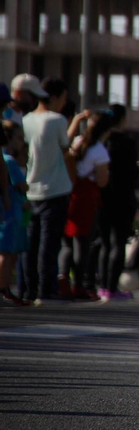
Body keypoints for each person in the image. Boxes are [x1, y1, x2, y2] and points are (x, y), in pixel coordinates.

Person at [22, 77, 79, 303]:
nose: (64, 103)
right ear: (54, 98)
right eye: (63, 98)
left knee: (30, 243)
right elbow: (66, 151)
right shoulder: (56, 120)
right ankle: (47, 290)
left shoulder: (25, 120)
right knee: (49, 243)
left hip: (29, 188)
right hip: (55, 189)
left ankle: (29, 289)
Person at [64, 111, 113, 299]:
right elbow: (102, 181)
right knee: (83, 244)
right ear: (106, 130)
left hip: (71, 192)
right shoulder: (99, 150)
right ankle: (79, 285)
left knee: (67, 241)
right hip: (87, 197)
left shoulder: (77, 141)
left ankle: (62, 279)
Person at [100, 106, 139, 301]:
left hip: (103, 197)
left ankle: (102, 286)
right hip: (123, 198)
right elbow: (133, 173)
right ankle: (112, 287)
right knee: (118, 243)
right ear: (122, 119)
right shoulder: (127, 142)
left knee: (105, 244)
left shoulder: (101, 141)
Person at [0, 120, 29, 304]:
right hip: (11, 211)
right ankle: (3, 288)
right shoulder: (9, 160)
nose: (21, 143)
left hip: (14, 210)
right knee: (7, 252)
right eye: (19, 138)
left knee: (11, 251)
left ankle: (6, 288)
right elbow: (22, 185)